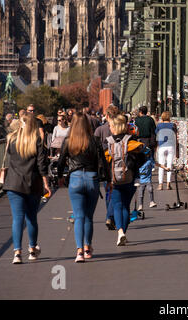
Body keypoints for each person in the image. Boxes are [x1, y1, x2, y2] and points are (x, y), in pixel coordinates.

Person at [57, 112, 111, 263]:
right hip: (92, 178)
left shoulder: (69, 141)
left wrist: (60, 176)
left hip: (75, 179)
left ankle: (79, 251)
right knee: (88, 217)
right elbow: (103, 161)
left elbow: (61, 161)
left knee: (78, 216)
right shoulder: (94, 140)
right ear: (87, 124)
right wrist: (109, 180)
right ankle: (88, 247)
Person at [3, 113, 52, 264]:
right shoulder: (37, 141)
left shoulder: (11, 139)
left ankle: (17, 253)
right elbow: (41, 164)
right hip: (32, 183)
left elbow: (10, 156)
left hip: (14, 183)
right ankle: (32, 249)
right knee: (31, 218)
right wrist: (46, 183)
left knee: (17, 218)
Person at [105, 115, 144, 246]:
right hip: (130, 178)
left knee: (117, 205)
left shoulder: (108, 143)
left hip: (114, 179)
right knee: (125, 206)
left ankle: (120, 231)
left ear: (114, 127)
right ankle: (123, 234)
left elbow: (104, 161)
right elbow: (143, 156)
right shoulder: (131, 141)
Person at [94, 105, 120, 230]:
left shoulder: (100, 130)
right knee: (117, 190)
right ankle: (111, 216)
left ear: (107, 116)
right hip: (118, 162)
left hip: (105, 164)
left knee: (108, 190)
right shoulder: (120, 129)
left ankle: (109, 216)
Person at [155, 111, 177, 190]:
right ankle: (168, 184)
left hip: (161, 146)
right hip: (170, 146)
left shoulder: (159, 125)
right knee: (169, 165)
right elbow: (175, 137)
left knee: (161, 165)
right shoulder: (173, 125)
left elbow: (156, 136)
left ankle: (160, 185)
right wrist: (177, 149)